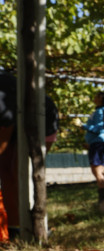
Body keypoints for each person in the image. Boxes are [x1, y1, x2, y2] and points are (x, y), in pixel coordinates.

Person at [0, 72, 58, 240]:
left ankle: (35, 229)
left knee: (21, 172)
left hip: (42, 120)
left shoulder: (2, 99)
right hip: (13, 120)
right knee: (5, 171)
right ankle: (14, 230)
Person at [74, 90, 104, 202]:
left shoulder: (100, 112)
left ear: (101, 99)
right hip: (102, 143)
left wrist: (82, 125)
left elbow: (98, 129)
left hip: (99, 143)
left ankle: (103, 200)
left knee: (97, 171)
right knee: (102, 170)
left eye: (97, 96)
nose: (94, 97)